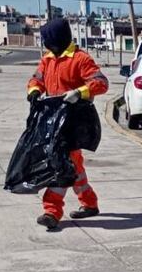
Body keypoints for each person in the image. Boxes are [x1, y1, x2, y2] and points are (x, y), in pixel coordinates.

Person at [28, 19, 110, 230]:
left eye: (47, 38)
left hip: (73, 122)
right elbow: (37, 79)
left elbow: (101, 82)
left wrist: (79, 92)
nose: (45, 42)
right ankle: (89, 202)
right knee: (74, 165)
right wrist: (34, 91)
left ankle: (52, 211)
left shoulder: (80, 58)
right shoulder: (47, 60)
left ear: (57, 38)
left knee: (62, 164)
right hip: (53, 121)